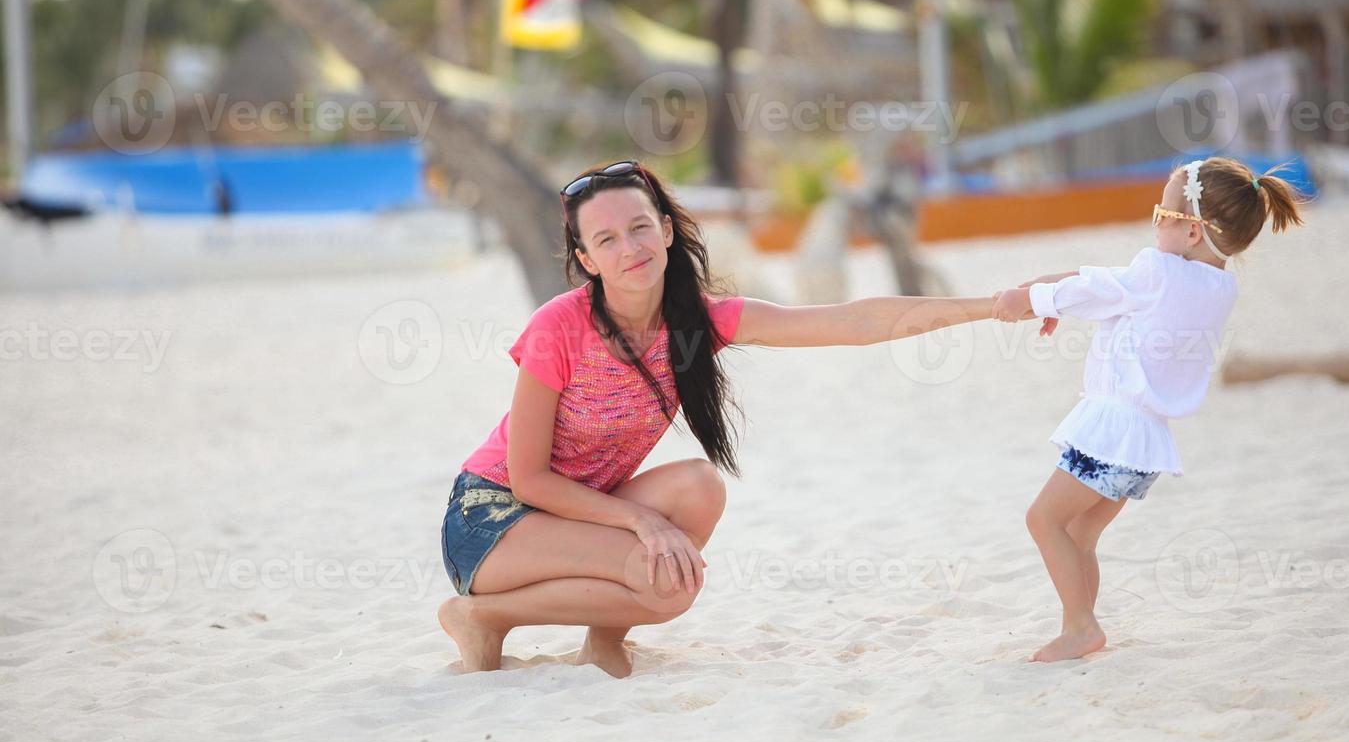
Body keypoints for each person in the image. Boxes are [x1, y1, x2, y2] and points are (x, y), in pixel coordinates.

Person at [439, 160, 999, 677]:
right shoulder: (559, 326)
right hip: (491, 521)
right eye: (606, 239)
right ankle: (485, 616)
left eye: (639, 228)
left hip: (581, 518)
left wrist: (992, 306)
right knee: (667, 587)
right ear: (586, 259)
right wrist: (643, 523)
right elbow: (529, 479)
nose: (629, 248)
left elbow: (851, 322)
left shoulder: (697, 321)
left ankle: (603, 639)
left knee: (699, 487)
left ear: (664, 229)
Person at [993, 157, 1304, 662]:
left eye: (1163, 210)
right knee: (1081, 532)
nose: (1155, 219)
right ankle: (1081, 626)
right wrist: (1042, 300)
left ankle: (1081, 627)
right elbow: (1102, 283)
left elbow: (1094, 287)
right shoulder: (1218, 286)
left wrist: (1030, 299)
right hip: (1146, 442)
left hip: (1112, 430)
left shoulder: (1157, 271)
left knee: (1043, 520)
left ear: (1193, 232)